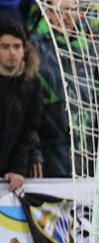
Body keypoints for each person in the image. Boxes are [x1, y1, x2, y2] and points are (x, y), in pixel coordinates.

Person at [29, 0, 99, 177]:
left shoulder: (91, 49)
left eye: (72, 10)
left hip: (85, 146)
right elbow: (27, 106)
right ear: (49, 13)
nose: (67, 16)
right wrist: (34, 151)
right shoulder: (33, 47)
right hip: (50, 145)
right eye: (62, 11)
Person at [0, 20, 41, 192]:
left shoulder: (32, 83)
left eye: (17, 46)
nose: (12, 52)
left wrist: (18, 169)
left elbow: (29, 130)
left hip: (11, 171)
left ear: (24, 50)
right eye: (5, 46)